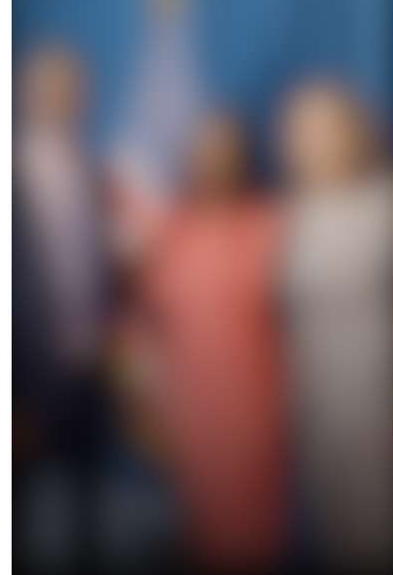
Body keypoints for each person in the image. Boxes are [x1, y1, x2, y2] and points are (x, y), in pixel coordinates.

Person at [139, 113, 287, 570]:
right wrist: (146, 407)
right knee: (198, 528)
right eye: (205, 151)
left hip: (257, 412)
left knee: (254, 534)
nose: (214, 161)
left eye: (223, 151)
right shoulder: (172, 231)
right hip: (190, 413)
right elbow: (145, 329)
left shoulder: (270, 225)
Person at [277, 79, 393, 571]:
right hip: (313, 396)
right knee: (331, 523)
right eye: (302, 136)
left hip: (372, 397)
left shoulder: (385, 205)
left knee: (372, 525)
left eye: (323, 133)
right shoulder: (290, 214)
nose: (312, 147)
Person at [14, 43, 111, 570]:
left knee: (85, 507)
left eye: (71, 89)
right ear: (26, 94)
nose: (62, 99)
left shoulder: (93, 172)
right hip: (24, 377)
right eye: (50, 88)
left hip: (90, 371)